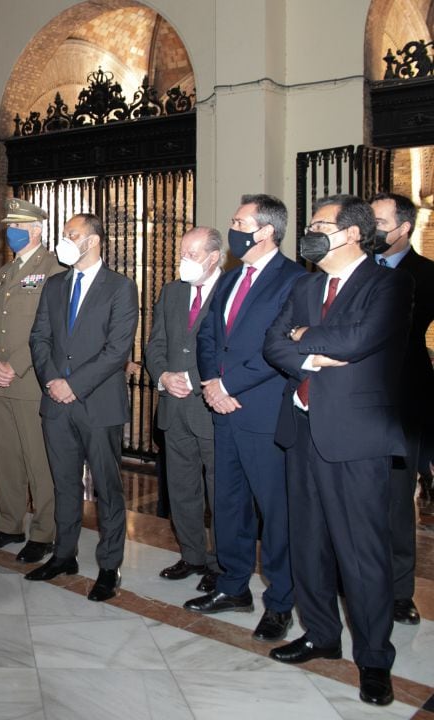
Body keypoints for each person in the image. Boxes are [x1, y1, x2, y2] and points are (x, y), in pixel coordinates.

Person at [264, 194, 411, 707]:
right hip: (302, 430)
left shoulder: (389, 284)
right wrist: (310, 355)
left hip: (354, 438)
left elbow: (358, 339)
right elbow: (273, 343)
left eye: (319, 225)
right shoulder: (305, 285)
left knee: (361, 555)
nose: (309, 232)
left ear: (351, 233)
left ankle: (374, 659)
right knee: (308, 545)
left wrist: (306, 336)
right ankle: (321, 636)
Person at [184, 194, 304, 643]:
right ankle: (233, 586)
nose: (232, 228)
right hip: (225, 410)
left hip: (264, 412)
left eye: (239, 221)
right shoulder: (232, 279)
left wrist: (229, 386)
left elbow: (281, 348)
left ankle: (280, 602)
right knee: (229, 503)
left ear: (266, 230)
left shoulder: (293, 279)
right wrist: (213, 383)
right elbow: (210, 335)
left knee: (275, 511)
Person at [25, 213, 139, 602]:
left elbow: (116, 350)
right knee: (65, 483)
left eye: (72, 234)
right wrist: (53, 381)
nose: (65, 240)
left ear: (93, 241)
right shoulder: (55, 285)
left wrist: (73, 384)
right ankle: (64, 554)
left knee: (107, 488)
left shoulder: (121, 288)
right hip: (56, 404)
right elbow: (39, 337)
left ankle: (109, 566)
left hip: (99, 404)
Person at [0, 198, 62, 563]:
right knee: (7, 459)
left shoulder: (54, 269)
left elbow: (49, 329)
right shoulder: (5, 273)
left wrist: (15, 365)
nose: (10, 232)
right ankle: (9, 524)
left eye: (17, 226)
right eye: (7, 226)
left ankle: (45, 531)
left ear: (37, 229)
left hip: (28, 381)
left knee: (37, 459)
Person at [144, 226, 223, 592]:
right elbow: (155, 342)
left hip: (210, 408)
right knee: (181, 488)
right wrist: (162, 375)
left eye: (192, 255)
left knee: (219, 491)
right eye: (182, 253)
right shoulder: (172, 292)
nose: (183, 261)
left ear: (214, 257)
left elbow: (233, 349)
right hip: (173, 409)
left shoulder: (231, 291)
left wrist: (190, 377)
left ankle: (221, 563)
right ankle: (192, 555)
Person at [370, 192, 434, 626]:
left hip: (401, 406)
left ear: (403, 227)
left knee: (395, 502)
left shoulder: (425, 275)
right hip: (350, 404)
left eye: (378, 221)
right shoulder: (353, 269)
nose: (371, 228)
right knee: (352, 498)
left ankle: (398, 592)